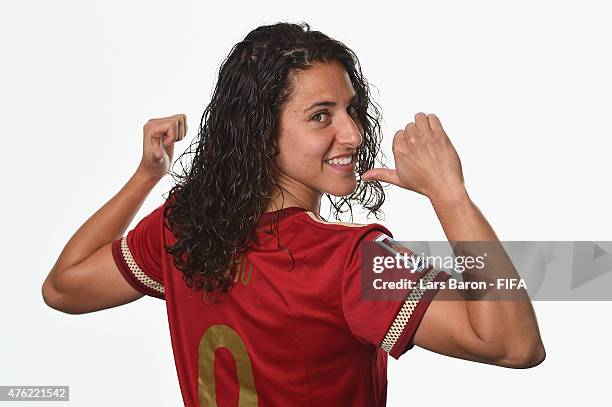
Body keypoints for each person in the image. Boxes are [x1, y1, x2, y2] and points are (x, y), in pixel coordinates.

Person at [42, 22, 545, 406]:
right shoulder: (352, 260)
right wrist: (450, 195)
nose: (352, 133)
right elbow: (512, 344)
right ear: (261, 132)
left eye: (352, 109)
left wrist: (147, 175)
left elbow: (64, 286)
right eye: (320, 116)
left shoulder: (183, 227)